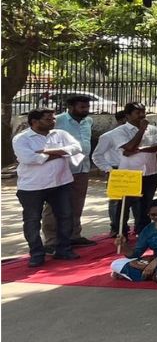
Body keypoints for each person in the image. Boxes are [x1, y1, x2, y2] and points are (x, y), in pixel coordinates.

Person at [14, 109, 84, 267]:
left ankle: (63, 249)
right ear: (34, 121)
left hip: (61, 183)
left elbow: (76, 148)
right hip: (32, 187)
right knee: (32, 221)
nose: (53, 122)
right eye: (48, 119)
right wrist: (60, 153)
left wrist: (46, 152)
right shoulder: (21, 138)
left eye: (53, 119)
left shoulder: (60, 134)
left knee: (65, 216)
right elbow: (30, 158)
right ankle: (37, 254)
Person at [43, 95, 93, 249]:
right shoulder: (56, 121)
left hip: (82, 168)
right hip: (61, 169)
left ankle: (74, 235)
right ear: (70, 107)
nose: (85, 110)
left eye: (87, 107)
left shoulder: (88, 121)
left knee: (77, 204)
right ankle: (51, 240)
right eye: (82, 107)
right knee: (53, 206)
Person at [114, 102, 157, 233]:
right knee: (125, 204)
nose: (142, 115)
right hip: (129, 173)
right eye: (138, 113)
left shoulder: (153, 129)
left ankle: (142, 230)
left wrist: (141, 149)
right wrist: (141, 130)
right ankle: (120, 231)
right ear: (127, 115)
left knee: (146, 204)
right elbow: (129, 147)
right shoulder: (120, 131)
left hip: (150, 172)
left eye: (144, 112)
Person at [111, 199, 157, 281]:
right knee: (116, 263)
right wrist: (124, 246)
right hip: (156, 262)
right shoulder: (148, 229)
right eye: (152, 215)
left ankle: (147, 274)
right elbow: (136, 253)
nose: (156, 217)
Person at [93, 110, 134, 238]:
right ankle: (116, 228)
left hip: (134, 170)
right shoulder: (108, 136)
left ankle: (135, 226)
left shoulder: (136, 134)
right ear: (123, 119)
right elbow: (97, 155)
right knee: (117, 202)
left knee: (135, 200)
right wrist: (109, 169)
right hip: (117, 171)